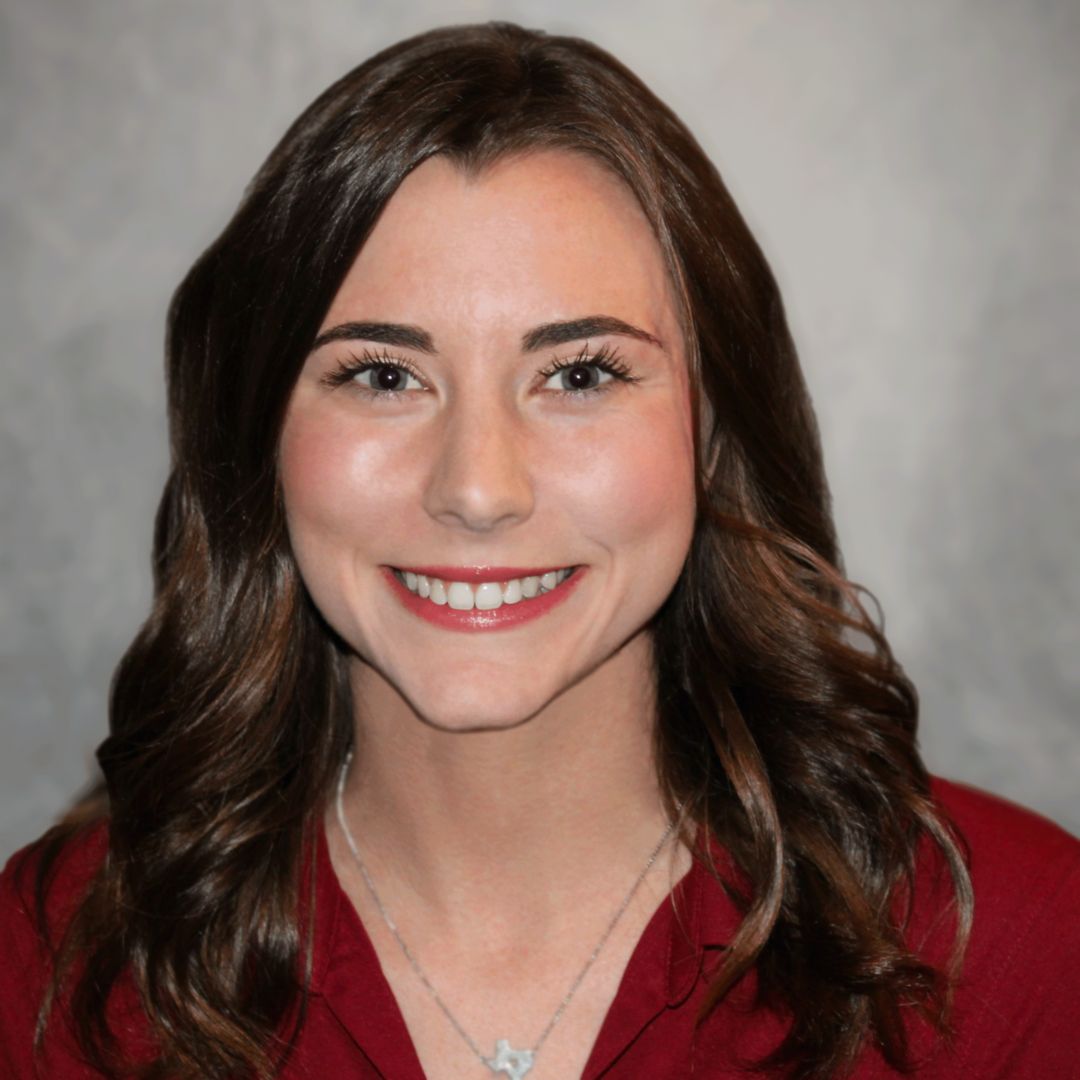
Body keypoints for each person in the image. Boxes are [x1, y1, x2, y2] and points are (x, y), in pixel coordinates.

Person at [2, 21, 1078, 1080]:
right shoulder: (46, 972)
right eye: (382, 375)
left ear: (711, 432)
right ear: (258, 436)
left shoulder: (1020, 961)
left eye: (580, 375)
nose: (478, 489)